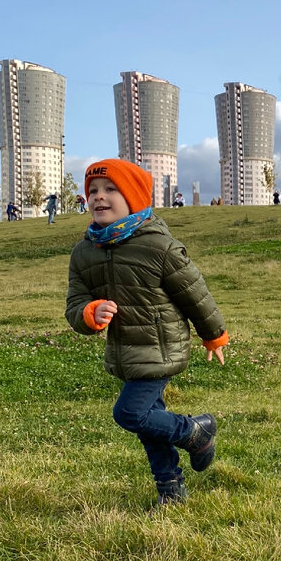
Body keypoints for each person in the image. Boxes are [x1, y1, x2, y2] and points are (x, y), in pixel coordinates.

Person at [66, 159, 228, 509]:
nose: (99, 197)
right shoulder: (84, 252)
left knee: (130, 414)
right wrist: (88, 313)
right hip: (126, 351)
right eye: (93, 191)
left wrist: (213, 334)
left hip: (161, 347)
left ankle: (195, 432)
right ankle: (171, 491)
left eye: (110, 189)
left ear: (134, 197)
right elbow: (75, 301)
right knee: (149, 425)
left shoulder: (158, 246)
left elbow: (194, 292)